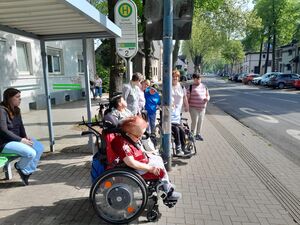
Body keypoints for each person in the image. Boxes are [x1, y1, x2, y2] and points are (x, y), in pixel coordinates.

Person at [111, 116, 181, 201]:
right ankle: (167, 191)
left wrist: (149, 153)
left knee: (158, 159)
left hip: (137, 162)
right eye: (138, 136)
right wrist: (150, 168)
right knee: (159, 167)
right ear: (128, 133)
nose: (140, 138)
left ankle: (166, 185)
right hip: (133, 169)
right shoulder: (122, 145)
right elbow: (131, 163)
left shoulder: (125, 137)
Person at [0, 88, 44, 185]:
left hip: (17, 140)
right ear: (9, 98)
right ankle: (19, 167)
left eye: (20, 97)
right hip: (4, 143)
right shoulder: (1, 110)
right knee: (31, 153)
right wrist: (21, 140)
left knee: (39, 147)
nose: (20, 99)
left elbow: (20, 126)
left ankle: (26, 171)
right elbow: (3, 130)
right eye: (17, 97)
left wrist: (25, 137)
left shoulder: (17, 110)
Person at [186, 73, 210, 141]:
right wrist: (186, 105)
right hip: (193, 107)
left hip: (202, 108)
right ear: (193, 79)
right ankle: (192, 134)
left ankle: (198, 134)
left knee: (200, 121)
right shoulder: (190, 87)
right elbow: (187, 97)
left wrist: (207, 98)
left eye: (199, 79)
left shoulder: (204, 87)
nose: (198, 80)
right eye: (196, 79)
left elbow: (208, 95)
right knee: (195, 121)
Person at [171, 70, 189, 156]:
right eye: (174, 76)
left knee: (182, 129)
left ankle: (183, 147)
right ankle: (178, 148)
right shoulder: (168, 86)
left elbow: (185, 97)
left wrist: (187, 105)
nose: (175, 78)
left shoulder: (181, 86)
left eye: (177, 76)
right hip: (169, 114)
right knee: (176, 129)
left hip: (178, 112)